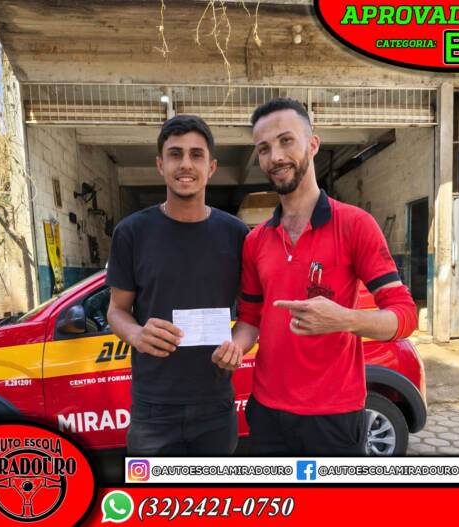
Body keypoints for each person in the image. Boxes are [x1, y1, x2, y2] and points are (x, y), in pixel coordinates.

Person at [213, 98, 417, 455]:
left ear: (313, 144)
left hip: (334, 415)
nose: (275, 156)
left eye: (286, 141)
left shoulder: (355, 225)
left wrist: (345, 319)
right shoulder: (256, 241)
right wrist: (234, 347)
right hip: (267, 411)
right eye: (264, 148)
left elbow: (406, 315)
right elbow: (250, 319)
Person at [106, 114, 248, 456]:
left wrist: (239, 346)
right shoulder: (131, 232)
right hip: (153, 409)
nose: (186, 164)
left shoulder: (236, 234)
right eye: (175, 154)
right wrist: (136, 334)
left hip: (215, 404)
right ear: (160, 164)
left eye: (196, 154)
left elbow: (250, 314)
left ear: (211, 167)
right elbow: (117, 310)